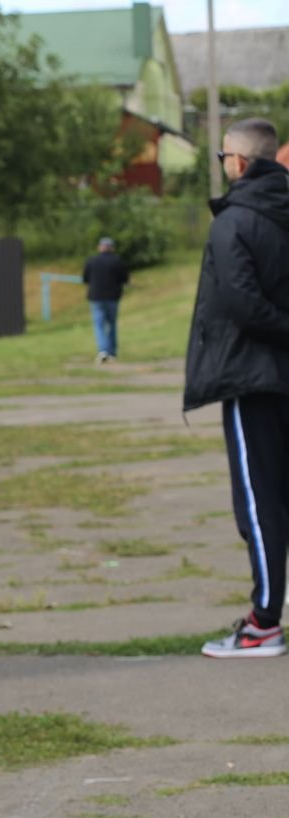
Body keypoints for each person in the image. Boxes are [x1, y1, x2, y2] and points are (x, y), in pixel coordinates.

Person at [188, 118, 289, 660]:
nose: (223, 163)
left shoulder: (235, 221)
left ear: (241, 163)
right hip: (277, 374)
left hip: (253, 379)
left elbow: (242, 304)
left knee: (258, 502)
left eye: (224, 155)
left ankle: (264, 624)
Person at [82, 236, 131, 365]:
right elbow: (125, 279)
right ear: (112, 248)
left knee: (98, 324)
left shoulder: (92, 261)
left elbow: (85, 279)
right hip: (112, 298)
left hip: (96, 298)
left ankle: (102, 350)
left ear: (100, 247)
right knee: (111, 324)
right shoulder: (117, 261)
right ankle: (112, 352)